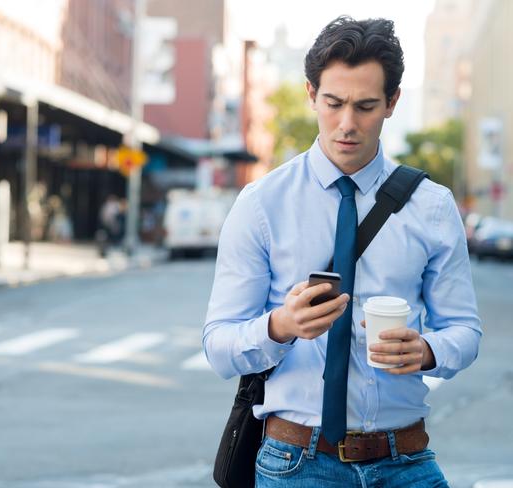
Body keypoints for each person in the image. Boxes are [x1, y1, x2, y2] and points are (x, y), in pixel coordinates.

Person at [203, 16, 481, 487]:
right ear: (311, 93)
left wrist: (428, 350)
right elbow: (219, 346)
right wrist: (280, 326)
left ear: (392, 103)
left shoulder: (431, 206)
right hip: (296, 462)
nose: (347, 124)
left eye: (366, 106)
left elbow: (465, 330)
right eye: (333, 103)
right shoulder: (262, 204)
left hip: (406, 460)